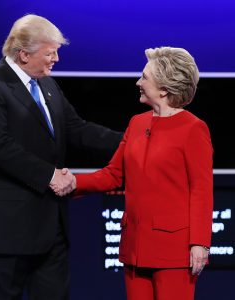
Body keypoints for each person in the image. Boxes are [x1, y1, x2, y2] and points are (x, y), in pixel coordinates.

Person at [0, 14, 122, 300]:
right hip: (4, 230)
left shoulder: (47, 85)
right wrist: (50, 175)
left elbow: (77, 129)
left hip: (51, 229)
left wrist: (133, 141)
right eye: (50, 53)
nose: (56, 59)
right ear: (23, 54)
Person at [57, 47, 213, 299]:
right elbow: (113, 175)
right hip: (135, 246)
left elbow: (201, 189)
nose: (138, 82)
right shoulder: (137, 123)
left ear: (163, 88)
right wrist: (73, 182)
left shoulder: (193, 129)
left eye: (145, 77)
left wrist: (200, 243)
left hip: (174, 251)